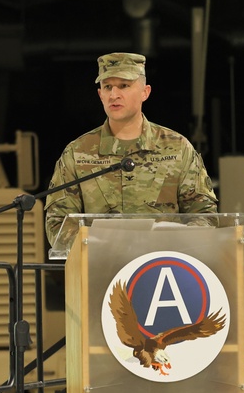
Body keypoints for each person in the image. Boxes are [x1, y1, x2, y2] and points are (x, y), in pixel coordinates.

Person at [43, 51, 218, 247]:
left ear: (145, 92)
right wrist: (101, 245)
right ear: (100, 95)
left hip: (162, 267)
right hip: (100, 269)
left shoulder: (177, 148)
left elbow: (204, 214)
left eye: (124, 86)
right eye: (107, 87)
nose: (114, 95)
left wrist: (173, 244)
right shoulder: (77, 153)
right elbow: (58, 223)